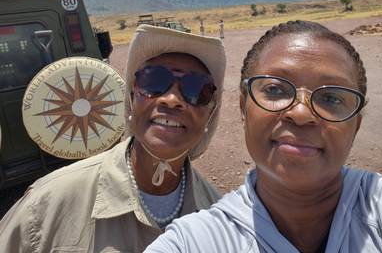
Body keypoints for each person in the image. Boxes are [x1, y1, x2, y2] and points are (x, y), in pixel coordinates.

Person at [145, 20, 382, 253]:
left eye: (331, 97)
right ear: (244, 107)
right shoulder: (199, 241)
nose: (301, 113)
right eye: (275, 89)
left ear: (356, 124)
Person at [0, 25, 226, 252]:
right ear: (131, 98)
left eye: (196, 88)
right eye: (154, 81)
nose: (171, 99)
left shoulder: (220, 219)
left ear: (210, 114)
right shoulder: (46, 206)